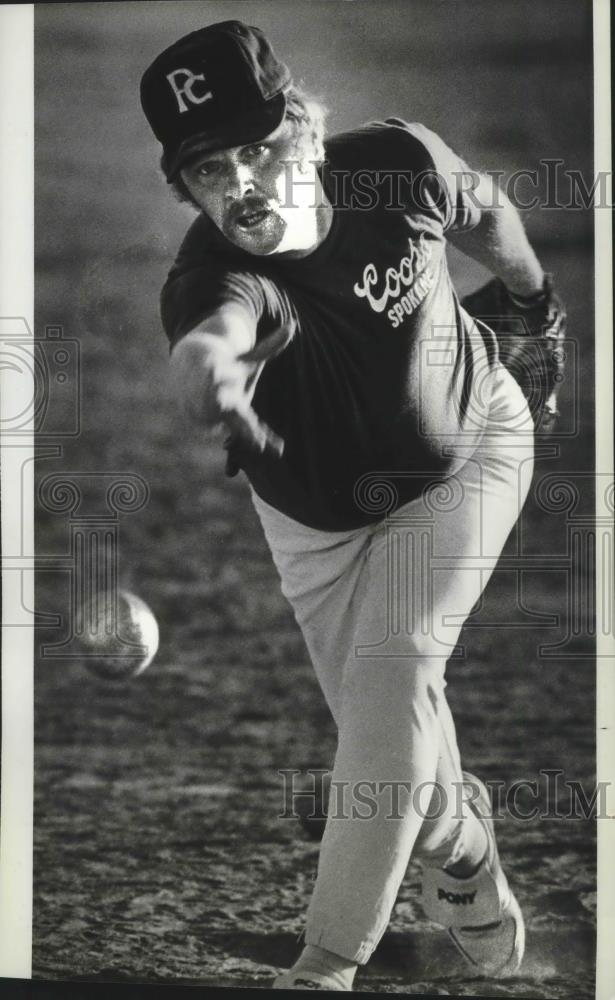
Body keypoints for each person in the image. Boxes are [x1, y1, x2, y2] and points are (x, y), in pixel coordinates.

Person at [140, 20, 563, 991]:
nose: (241, 181)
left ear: (303, 122)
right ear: (188, 188)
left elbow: (485, 209)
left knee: (395, 670)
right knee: (396, 734)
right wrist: (208, 367)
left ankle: (325, 963)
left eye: (259, 145)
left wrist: (532, 300)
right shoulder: (219, 274)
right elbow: (218, 330)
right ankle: (464, 854)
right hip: (317, 531)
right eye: (209, 168)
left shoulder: (396, 167)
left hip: (470, 450)